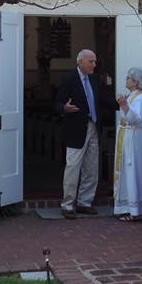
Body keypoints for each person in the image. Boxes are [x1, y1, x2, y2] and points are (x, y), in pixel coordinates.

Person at [56, 48, 103, 219]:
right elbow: (57, 102)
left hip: (93, 127)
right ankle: (68, 205)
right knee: (73, 168)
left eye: (95, 61)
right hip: (75, 130)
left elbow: (101, 99)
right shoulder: (69, 79)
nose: (94, 65)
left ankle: (85, 202)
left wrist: (123, 103)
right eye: (91, 61)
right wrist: (64, 108)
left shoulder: (94, 79)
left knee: (91, 167)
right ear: (80, 62)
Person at [113, 67, 142, 221]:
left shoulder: (140, 98)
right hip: (126, 135)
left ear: (136, 82)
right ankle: (125, 206)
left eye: (129, 77)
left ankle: (135, 210)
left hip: (134, 138)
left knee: (132, 170)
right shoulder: (132, 96)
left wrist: (124, 105)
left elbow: (136, 119)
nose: (126, 79)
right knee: (126, 171)